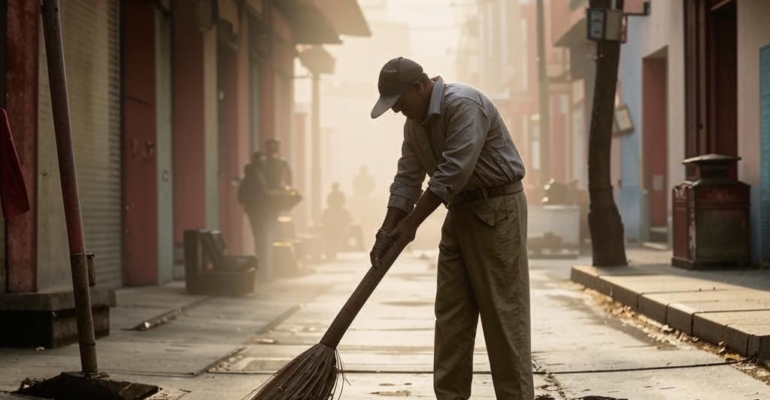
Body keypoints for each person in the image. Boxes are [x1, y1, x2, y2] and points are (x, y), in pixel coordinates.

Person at [368, 57, 533, 399]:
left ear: (419, 86)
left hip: (497, 209)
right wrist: (388, 229)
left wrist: (411, 225)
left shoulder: (463, 103)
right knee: (451, 319)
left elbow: (452, 173)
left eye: (400, 103)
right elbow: (407, 179)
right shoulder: (414, 125)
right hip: (459, 212)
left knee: (503, 317)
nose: (398, 111)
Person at [238, 151, 273, 281]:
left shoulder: (257, 173)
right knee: (261, 239)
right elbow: (257, 193)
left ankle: (264, 270)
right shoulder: (256, 174)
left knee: (261, 239)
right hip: (259, 210)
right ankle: (263, 271)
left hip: (257, 210)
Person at [321, 183, 352, 260]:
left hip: (332, 217)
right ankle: (332, 252)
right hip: (337, 216)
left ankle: (331, 252)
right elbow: (343, 201)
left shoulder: (331, 195)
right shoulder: (340, 194)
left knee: (331, 238)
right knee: (334, 237)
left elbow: (328, 201)